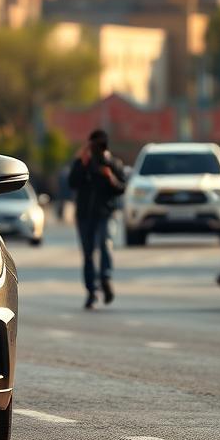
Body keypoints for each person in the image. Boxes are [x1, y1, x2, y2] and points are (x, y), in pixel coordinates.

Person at [68, 129, 127, 309]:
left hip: (105, 213)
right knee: (88, 254)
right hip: (85, 215)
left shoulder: (113, 164)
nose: (98, 149)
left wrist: (111, 178)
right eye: (95, 144)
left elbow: (122, 188)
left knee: (105, 245)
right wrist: (81, 163)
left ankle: (106, 279)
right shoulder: (82, 163)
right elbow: (72, 183)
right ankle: (91, 291)